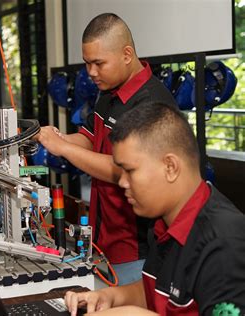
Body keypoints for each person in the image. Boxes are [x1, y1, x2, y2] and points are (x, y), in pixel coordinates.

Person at [64, 102, 245, 316]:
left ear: (170, 167)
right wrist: (110, 297)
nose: (122, 182)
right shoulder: (163, 223)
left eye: (129, 171)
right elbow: (158, 290)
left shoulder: (224, 242)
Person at [35, 13, 176, 285]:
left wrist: (63, 149)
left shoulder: (151, 105)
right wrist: (58, 138)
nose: (91, 72)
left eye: (98, 63)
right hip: (104, 242)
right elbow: (90, 138)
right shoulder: (109, 93)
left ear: (126, 54)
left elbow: (121, 171)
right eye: (87, 63)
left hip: (136, 250)